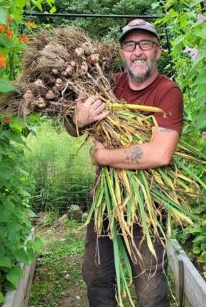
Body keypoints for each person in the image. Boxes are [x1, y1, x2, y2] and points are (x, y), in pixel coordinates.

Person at [65, 19, 183, 307]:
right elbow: (73, 126)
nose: (138, 51)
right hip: (104, 197)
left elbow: (159, 154)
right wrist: (77, 121)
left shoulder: (168, 92)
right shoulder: (107, 84)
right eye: (130, 45)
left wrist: (103, 157)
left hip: (148, 202)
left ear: (158, 51)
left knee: (149, 285)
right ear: (122, 52)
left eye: (146, 44)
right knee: (96, 274)